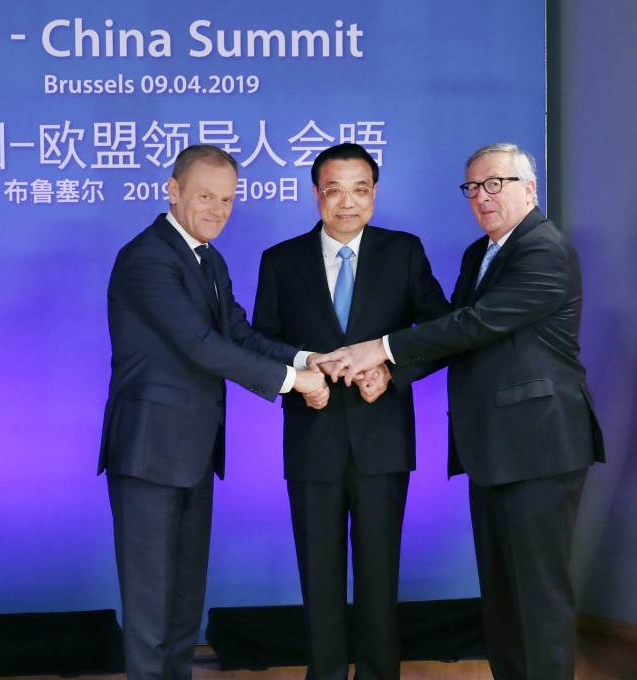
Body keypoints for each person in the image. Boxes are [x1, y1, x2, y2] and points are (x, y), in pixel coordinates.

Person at [314, 142, 605, 680]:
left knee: (537, 601)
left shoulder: (543, 248)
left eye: (496, 184)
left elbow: (476, 324)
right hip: (493, 449)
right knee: (502, 599)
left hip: (540, 447)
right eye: (473, 187)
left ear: (529, 189)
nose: (483, 197)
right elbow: (456, 338)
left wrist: (381, 349)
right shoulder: (481, 253)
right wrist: (392, 374)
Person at [98, 144, 329, 680]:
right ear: (173, 190)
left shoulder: (209, 258)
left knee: (184, 600)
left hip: (194, 452)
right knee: (150, 603)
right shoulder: (146, 258)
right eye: (205, 196)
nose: (218, 210)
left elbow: (238, 334)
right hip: (149, 452)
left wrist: (305, 358)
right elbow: (201, 345)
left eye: (227, 199)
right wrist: (294, 383)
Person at [252, 143, 450, 680]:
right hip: (311, 439)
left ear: (374, 194)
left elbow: (442, 331)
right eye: (334, 190)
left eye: (359, 190)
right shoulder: (281, 260)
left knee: (379, 579)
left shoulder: (403, 252)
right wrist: (302, 376)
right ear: (316, 194)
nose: (347, 202)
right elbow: (260, 342)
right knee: (318, 580)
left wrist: (392, 371)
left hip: (381, 441)